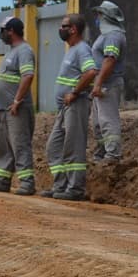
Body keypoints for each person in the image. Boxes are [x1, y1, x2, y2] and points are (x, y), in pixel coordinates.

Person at [43, 14, 97, 201]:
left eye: (63, 26)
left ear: (73, 29)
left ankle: (76, 189)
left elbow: (91, 72)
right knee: (54, 147)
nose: (61, 29)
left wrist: (74, 92)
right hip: (65, 109)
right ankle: (61, 185)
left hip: (77, 104)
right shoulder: (72, 50)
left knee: (73, 146)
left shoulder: (82, 49)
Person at [0, 16, 37, 195]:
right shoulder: (12, 51)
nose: (1, 34)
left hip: (15, 109)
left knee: (19, 145)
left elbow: (28, 76)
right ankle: (1, 180)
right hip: (2, 109)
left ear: (11, 31)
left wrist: (17, 101)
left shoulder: (24, 51)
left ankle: (27, 183)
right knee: (3, 145)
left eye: (2, 30)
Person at [90, 0, 127, 163]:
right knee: (98, 123)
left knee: (108, 120)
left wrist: (98, 84)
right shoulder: (106, 35)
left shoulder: (113, 36)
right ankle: (103, 152)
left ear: (105, 16)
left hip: (108, 85)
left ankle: (112, 154)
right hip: (102, 84)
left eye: (99, 14)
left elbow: (109, 60)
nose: (97, 18)